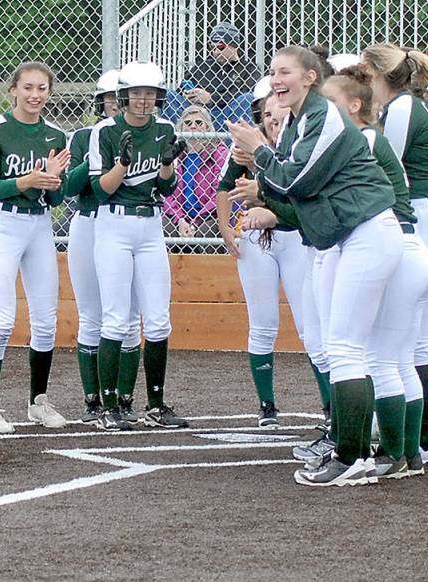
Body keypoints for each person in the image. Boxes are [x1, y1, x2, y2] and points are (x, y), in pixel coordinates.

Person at [229, 45, 404, 487]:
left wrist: (258, 155)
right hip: (343, 236)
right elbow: (289, 195)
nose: (276, 80)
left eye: (285, 72)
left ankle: (353, 456)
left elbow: (295, 180)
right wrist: (263, 187)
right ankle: (350, 447)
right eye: (272, 73)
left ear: (310, 77)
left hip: (367, 231)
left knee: (346, 348)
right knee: (336, 344)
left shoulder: (323, 113)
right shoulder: (297, 120)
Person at [321, 64, 428, 478]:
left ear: (355, 105)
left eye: (331, 103)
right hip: (409, 246)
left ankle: (390, 453)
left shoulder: (364, 137)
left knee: (378, 358)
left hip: (395, 247)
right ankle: (408, 454)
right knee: (398, 358)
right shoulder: (369, 137)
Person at [362, 43, 428, 464]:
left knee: (415, 336)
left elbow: (387, 166)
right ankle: (425, 432)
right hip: (427, 215)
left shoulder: (402, 107)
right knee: (413, 335)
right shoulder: (406, 104)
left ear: (378, 75)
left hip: (425, 217)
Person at [89, 60, 190, 431]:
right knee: (116, 317)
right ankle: (109, 406)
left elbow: (166, 188)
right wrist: (123, 163)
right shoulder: (105, 131)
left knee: (159, 319)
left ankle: (156, 403)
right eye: (136, 94)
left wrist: (166, 164)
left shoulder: (163, 128)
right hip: (114, 223)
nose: (143, 101)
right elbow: (102, 189)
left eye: (150, 94)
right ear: (123, 96)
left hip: (151, 225)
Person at [0, 61, 72, 433]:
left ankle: (38, 403)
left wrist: (53, 179)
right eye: (28, 87)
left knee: (46, 321)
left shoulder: (55, 134)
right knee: (2, 319)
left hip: (39, 224)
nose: (35, 95)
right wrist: (27, 179)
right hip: (5, 222)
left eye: (42, 88)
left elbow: (58, 195)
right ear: (13, 89)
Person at [215, 79, 309, 427]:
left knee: (308, 324)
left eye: (278, 110)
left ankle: (331, 406)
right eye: (266, 112)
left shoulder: (301, 141)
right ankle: (267, 405)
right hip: (257, 237)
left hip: (296, 235)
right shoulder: (248, 146)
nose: (272, 117)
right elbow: (225, 188)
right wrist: (226, 228)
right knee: (263, 323)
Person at [64, 70, 144, 426]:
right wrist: (99, 159)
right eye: (110, 98)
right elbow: (71, 186)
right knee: (92, 315)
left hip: (128, 226)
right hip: (90, 223)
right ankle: (93, 399)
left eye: (120, 97)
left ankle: (123, 398)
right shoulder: (85, 136)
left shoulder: (145, 131)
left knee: (129, 318)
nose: (115, 103)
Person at [164, 21, 261, 130]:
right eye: (212, 47)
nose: (216, 52)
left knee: (248, 98)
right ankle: (173, 137)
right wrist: (188, 95)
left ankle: (229, 143)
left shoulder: (249, 69)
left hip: (226, 115)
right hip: (197, 114)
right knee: (166, 95)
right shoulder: (203, 67)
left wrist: (211, 98)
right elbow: (180, 92)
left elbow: (247, 95)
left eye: (220, 47)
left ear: (234, 46)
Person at [163, 105, 228, 240]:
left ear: (207, 128)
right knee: (164, 226)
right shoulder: (175, 155)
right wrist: (179, 219)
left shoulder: (219, 153)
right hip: (181, 216)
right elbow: (165, 194)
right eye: (187, 123)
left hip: (208, 217)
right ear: (180, 129)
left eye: (199, 123)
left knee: (206, 231)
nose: (193, 126)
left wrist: (196, 223)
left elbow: (220, 191)